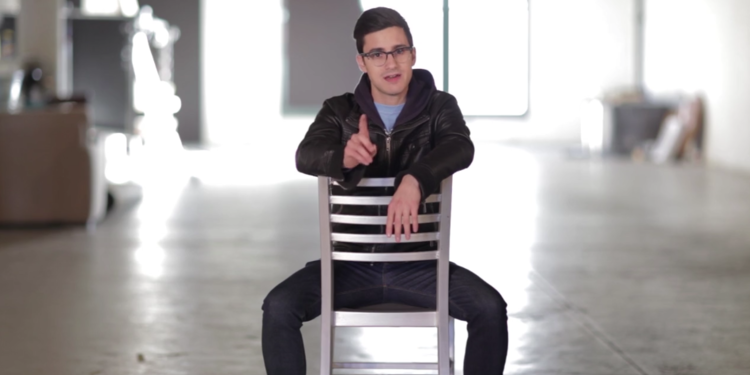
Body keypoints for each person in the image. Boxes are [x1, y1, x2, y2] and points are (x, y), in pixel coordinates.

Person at [262, 7, 508, 375]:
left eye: (399, 50)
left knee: (490, 309)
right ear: (361, 62)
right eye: (377, 54)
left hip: (420, 268)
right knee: (278, 307)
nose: (390, 63)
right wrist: (341, 156)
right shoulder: (339, 112)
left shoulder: (440, 107)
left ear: (413, 54)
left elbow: (460, 146)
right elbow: (305, 155)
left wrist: (416, 178)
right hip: (347, 269)